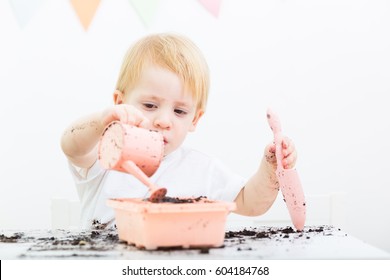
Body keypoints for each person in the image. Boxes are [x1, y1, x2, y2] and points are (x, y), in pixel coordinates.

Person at [60, 33, 297, 229]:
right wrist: (102, 121)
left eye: (180, 111)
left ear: (195, 119)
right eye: (150, 106)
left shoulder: (203, 169)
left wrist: (270, 168)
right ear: (120, 103)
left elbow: (250, 202)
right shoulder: (106, 154)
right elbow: (71, 146)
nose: (164, 120)